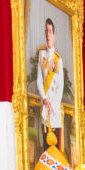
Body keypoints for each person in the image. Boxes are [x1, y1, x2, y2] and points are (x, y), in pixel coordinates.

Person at [28, 18, 64, 148]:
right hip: (45, 107)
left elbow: (60, 88)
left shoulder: (58, 59)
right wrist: (44, 99)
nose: (48, 35)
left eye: (50, 31)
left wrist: (51, 106)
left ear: (54, 35)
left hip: (54, 111)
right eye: (46, 31)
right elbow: (39, 80)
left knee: (55, 151)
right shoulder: (42, 54)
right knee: (45, 148)